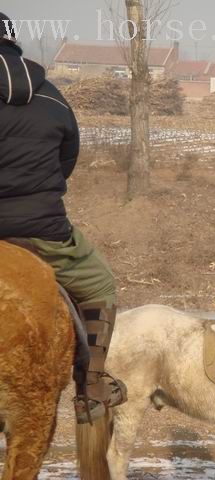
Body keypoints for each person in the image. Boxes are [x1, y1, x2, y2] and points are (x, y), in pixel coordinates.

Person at [0, 12, 126, 424]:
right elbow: (66, 161)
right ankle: (91, 386)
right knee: (101, 283)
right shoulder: (53, 95)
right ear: (16, 44)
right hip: (44, 233)